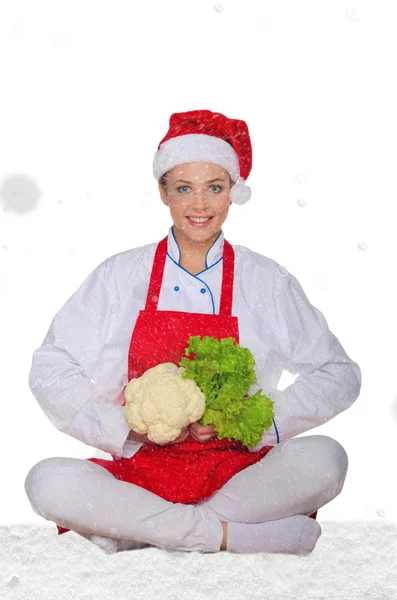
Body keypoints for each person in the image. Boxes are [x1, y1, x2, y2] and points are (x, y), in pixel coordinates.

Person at [24, 109, 361, 556]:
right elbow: (50, 367)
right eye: (184, 188)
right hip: (140, 470)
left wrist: (247, 421)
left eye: (214, 188)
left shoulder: (266, 280)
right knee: (46, 481)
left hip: (241, 472)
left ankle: (145, 531)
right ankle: (228, 536)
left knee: (327, 459)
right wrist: (124, 429)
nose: (200, 205)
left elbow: (339, 374)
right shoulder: (119, 275)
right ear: (163, 192)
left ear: (232, 194)